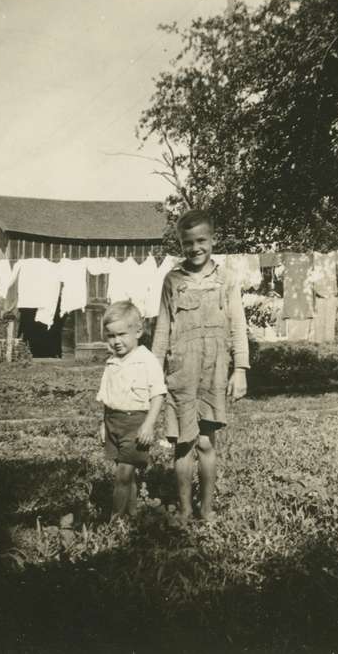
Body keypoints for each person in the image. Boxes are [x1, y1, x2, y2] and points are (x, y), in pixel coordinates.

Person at [152, 209, 249, 522]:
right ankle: (184, 509)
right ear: (181, 244)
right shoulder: (172, 281)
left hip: (214, 370)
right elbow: (163, 328)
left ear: (213, 240)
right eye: (187, 242)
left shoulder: (227, 280)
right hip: (180, 371)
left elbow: (237, 327)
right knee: (183, 445)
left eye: (201, 240)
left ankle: (206, 510)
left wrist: (240, 369)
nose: (195, 248)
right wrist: (154, 373)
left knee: (206, 442)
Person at [97, 300, 166, 518]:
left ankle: (114, 519)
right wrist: (103, 424)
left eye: (121, 334)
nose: (116, 341)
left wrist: (149, 424)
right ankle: (132, 514)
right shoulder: (112, 363)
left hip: (135, 424)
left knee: (123, 474)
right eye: (111, 336)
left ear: (138, 331)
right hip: (113, 422)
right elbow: (108, 397)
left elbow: (158, 394)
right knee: (127, 473)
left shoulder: (147, 360)